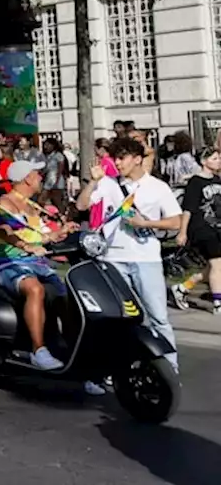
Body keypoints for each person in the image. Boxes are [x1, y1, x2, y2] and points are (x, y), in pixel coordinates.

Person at [77, 137, 183, 371]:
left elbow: (175, 221)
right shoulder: (108, 183)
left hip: (146, 258)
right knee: (121, 318)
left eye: (122, 157)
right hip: (112, 258)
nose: (117, 162)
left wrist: (146, 223)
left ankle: (170, 367)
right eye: (115, 157)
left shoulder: (157, 187)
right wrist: (93, 183)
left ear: (137, 159)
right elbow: (82, 206)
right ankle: (122, 365)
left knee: (157, 316)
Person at [0, 161, 76, 372]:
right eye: (37, 174)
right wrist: (25, 246)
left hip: (37, 263)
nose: (40, 177)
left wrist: (60, 233)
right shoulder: (6, 203)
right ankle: (39, 351)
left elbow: (41, 238)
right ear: (27, 178)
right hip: (11, 264)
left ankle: (72, 350)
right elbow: (5, 232)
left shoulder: (32, 205)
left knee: (68, 296)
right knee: (35, 289)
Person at [173, 147, 221, 313]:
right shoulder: (195, 182)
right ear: (204, 161)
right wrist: (183, 232)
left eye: (219, 158)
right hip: (201, 228)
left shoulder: (217, 180)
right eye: (214, 158)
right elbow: (188, 209)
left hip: (217, 227)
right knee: (217, 263)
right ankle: (218, 304)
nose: (218, 161)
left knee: (215, 268)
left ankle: (182, 287)